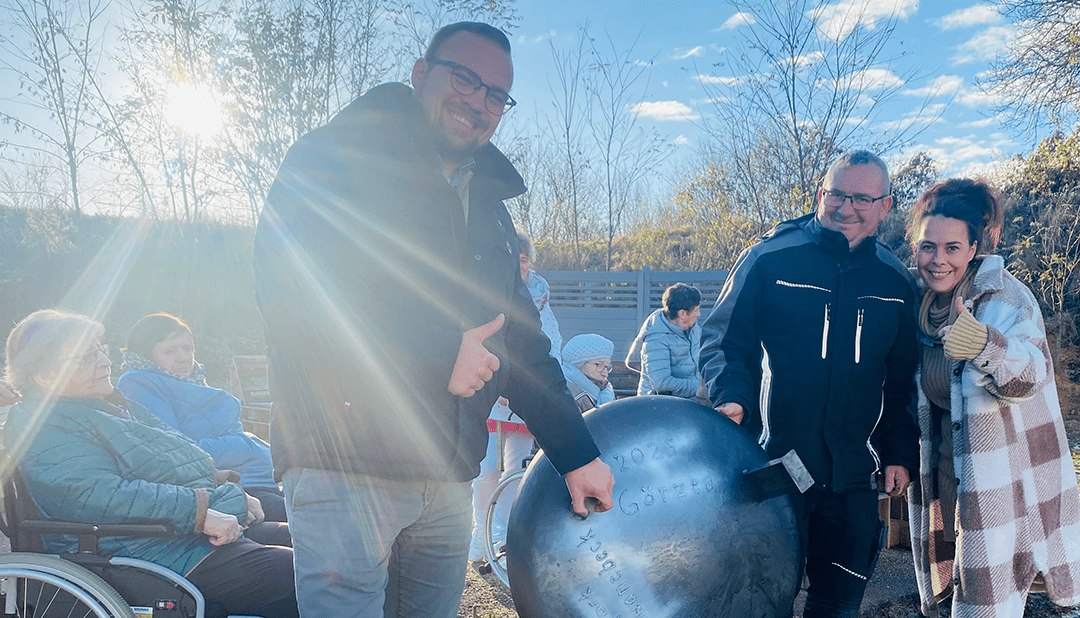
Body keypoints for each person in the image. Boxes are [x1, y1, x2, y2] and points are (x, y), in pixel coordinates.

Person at [251, 21, 614, 618]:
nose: (479, 101)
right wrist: (440, 352)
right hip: (343, 462)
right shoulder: (332, 157)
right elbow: (292, 289)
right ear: (421, 74)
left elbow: (522, 345)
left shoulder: (490, 209)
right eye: (465, 79)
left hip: (446, 474)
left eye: (496, 94)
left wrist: (577, 454)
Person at [699, 150, 920, 618]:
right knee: (759, 602)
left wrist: (900, 451)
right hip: (774, 466)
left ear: (885, 206)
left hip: (855, 477)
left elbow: (902, 380)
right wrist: (732, 396)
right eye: (836, 194)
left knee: (837, 607)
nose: (846, 208)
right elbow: (723, 339)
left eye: (862, 199)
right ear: (820, 194)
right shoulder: (769, 259)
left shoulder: (897, 282)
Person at [2, 309, 298, 618]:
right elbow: (96, 495)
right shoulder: (46, 425)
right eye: (87, 357)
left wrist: (225, 487)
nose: (104, 360)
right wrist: (199, 513)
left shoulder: (105, 406)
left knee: (313, 545)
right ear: (44, 374)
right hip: (139, 549)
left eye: (100, 349)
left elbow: (180, 455)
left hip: (171, 536)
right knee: (306, 575)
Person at [905, 179, 1080, 617]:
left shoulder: (1007, 298)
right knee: (950, 590)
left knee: (986, 603)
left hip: (1000, 483)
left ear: (973, 248)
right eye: (928, 247)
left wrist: (985, 344)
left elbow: (1032, 374)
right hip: (942, 478)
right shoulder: (916, 302)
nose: (938, 259)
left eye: (952, 247)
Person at [115, 313, 285, 522]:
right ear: (146, 353)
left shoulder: (189, 380)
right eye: (170, 351)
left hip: (254, 480)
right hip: (220, 490)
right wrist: (245, 445)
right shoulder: (138, 383)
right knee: (308, 521)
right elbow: (175, 451)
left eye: (187, 348)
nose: (183, 357)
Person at [469, 227, 561, 561]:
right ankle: (481, 531)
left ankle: (502, 533)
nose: (520, 267)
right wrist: (499, 381)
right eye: (514, 260)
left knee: (514, 471)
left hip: (523, 404)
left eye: (525, 260)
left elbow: (550, 347)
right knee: (486, 470)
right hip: (490, 396)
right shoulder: (487, 289)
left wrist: (529, 384)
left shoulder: (542, 300)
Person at [626, 282, 702, 397]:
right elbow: (662, 383)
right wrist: (701, 388)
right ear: (682, 313)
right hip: (660, 404)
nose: (699, 314)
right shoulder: (656, 338)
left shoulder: (694, 329)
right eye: (696, 310)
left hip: (692, 401)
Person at [561, 334, 616, 413]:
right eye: (599, 364)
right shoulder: (563, 392)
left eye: (607, 366)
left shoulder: (604, 388)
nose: (605, 372)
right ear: (578, 364)